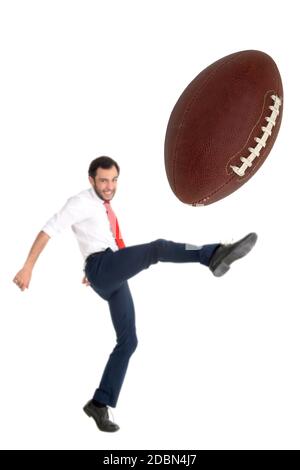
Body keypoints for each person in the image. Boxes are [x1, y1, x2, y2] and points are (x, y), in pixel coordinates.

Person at [13, 155, 258, 433]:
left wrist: (103, 271)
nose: (109, 186)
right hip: (102, 268)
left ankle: (99, 403)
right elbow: (48, 230)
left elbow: (99, 241)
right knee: (158, 248)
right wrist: (28, 267)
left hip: (107, 272)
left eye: (114, 180)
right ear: (91, 179)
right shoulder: (79, 202)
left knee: (128, 342)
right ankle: (212, 253)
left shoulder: (103, 206)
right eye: (103, 180)